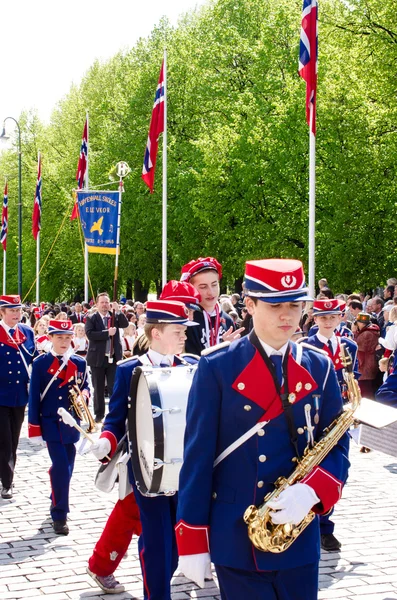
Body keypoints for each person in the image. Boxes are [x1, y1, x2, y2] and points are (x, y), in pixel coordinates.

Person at [176, 258, 350, 600]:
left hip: (297, 533)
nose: (287, 315)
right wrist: (192, 538)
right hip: (237, 535)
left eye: (294, 305)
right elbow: (197, 458)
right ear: (251, 304)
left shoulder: (319, 365)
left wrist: (313, 491)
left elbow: (337, 443)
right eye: (275, 305)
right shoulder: (217, 366)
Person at [85, 300, 199, 597]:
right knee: (158, 544)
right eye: (178, 330)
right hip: (146, 473)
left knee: (174, 546)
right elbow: (114, 420)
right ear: (156, 333)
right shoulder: (129, 371)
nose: (184, 335)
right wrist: (105, 442)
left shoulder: (190, 368)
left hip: (182, 472)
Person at [305, 298, 358, 552]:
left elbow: (352, 379)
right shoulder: (306, 347)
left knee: (339, 469)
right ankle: (317, 525)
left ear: (340, 318)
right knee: (313, 468)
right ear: (315, 319)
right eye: (323, 317)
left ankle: (325, 519)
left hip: (342, 417)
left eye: (333, 317)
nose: (328, 321)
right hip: (314, 417)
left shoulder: (349, 345)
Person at [28, 319, 90, 534]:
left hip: (72, 424)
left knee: (67, 470)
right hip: (51, 423)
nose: (64, 342)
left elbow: (86, 386)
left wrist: (84, 395)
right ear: (51, 338)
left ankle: (56, 492)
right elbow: (34, 397)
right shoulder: (41, 363)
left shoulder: (79, 363)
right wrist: (34, 428)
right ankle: (60, 514)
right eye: (59, 337)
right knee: (62, 468)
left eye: (67, 337)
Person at [0, 295, 36, 500]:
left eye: (18, 310)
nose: (16, 314)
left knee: (13, 437)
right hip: (0, 393)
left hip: (20, 394)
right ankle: (7, 481)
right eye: (11, 311)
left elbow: (34, 360)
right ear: (2, 313)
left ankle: (6, 472)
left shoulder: (27, 332)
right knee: (4, 438)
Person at [181, 256, 244, 355]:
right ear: (191, 288)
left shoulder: (227, 320)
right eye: (203, 287)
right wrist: (222, 348)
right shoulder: (187, 321)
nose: (211, 292)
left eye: (214, 285)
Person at [85, 293, 129, 423]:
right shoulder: (92, 318)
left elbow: (125, 324)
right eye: (102, 302)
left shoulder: (114, 316)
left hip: (113, 356)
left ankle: (114, 412)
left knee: (113, 387)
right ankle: (99, 414)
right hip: (98, 357)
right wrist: (106, 334)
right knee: (98, 387)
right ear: (97, 304)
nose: (104, 305)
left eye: (106, 302)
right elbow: (90, 334)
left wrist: (119, 311)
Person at [353, 312, 380, 399]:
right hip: (369, 364)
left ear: (361, 323)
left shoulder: (366, 334)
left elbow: (358, 348)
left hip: (365, 366)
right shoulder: (369, 332)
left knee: (366, 392)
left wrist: (354, 333)